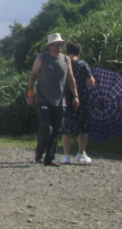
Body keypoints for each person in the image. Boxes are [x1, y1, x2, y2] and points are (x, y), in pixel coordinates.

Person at [28, 33, 79, 166]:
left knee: (56, 129)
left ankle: (49, 158)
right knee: (46, 127)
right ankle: (39, 152)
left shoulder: (66, 59)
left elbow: (70, 78)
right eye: (56, 44)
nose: (59, 46)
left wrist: (75, 96)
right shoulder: (42, 58)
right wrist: (30, 94)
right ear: (50, 46)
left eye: (61, 43)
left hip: (59, 99)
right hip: (43, 97)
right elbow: (33, 75)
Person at [60, 40, 96, 164]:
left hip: (65, 98)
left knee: (67, 128)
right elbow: (91, 83)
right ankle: (81, 153)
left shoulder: (63, 63)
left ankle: (66, 155)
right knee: (83, 127)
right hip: (82, 98)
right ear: (79, 53)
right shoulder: (83, 64)